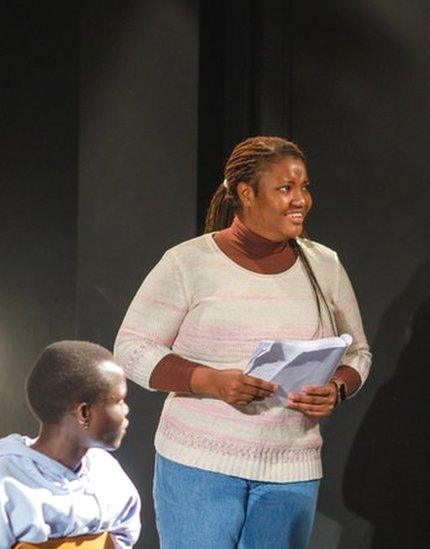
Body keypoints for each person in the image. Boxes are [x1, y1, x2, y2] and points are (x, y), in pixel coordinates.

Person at [115, 136, 371, 548]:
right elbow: (131, 348)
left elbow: (358, 352)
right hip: (200, 465)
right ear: (246, 194)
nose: (300, 200)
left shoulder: (325, 264)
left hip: (292, 468)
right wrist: (210, 381)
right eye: (285, 188)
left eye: (304, 187)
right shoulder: (189, 262)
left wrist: (337, 388)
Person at [0, 341, 140, 548]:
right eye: (118, 400)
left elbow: (123, 538)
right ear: (84, 413)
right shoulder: (0, 485)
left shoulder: (108, 475)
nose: (126, 410)